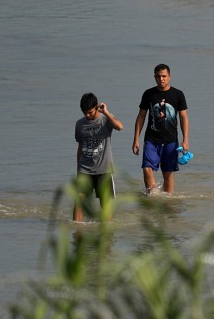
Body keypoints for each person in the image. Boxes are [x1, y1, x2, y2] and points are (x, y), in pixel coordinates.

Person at [132, 63, 189, 194]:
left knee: (167, 173)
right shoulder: (148, 94)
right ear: (154, 77)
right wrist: (136, 139)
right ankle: (153, 196)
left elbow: (183, 118)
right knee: (146, 168)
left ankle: (167, 202)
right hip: (151, 139)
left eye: (164, 76)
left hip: (170, 140)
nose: (161, 79)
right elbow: (141, 116)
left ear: (169, 77)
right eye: (158, 76)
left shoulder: (178, 94)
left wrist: (185, 140)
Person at [74, 92, 124, 222]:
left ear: (96, 107)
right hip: (85, 169)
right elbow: (80, 147)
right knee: (78, 202)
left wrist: (106, 112)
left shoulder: (105, 119)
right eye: (85, 112)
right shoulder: (79, 124)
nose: (87, 115)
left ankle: (107, 234)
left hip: (104, 170)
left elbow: (120, 126)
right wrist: (78, 169)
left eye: (90, 112)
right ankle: (77, 232)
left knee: (105, 204)